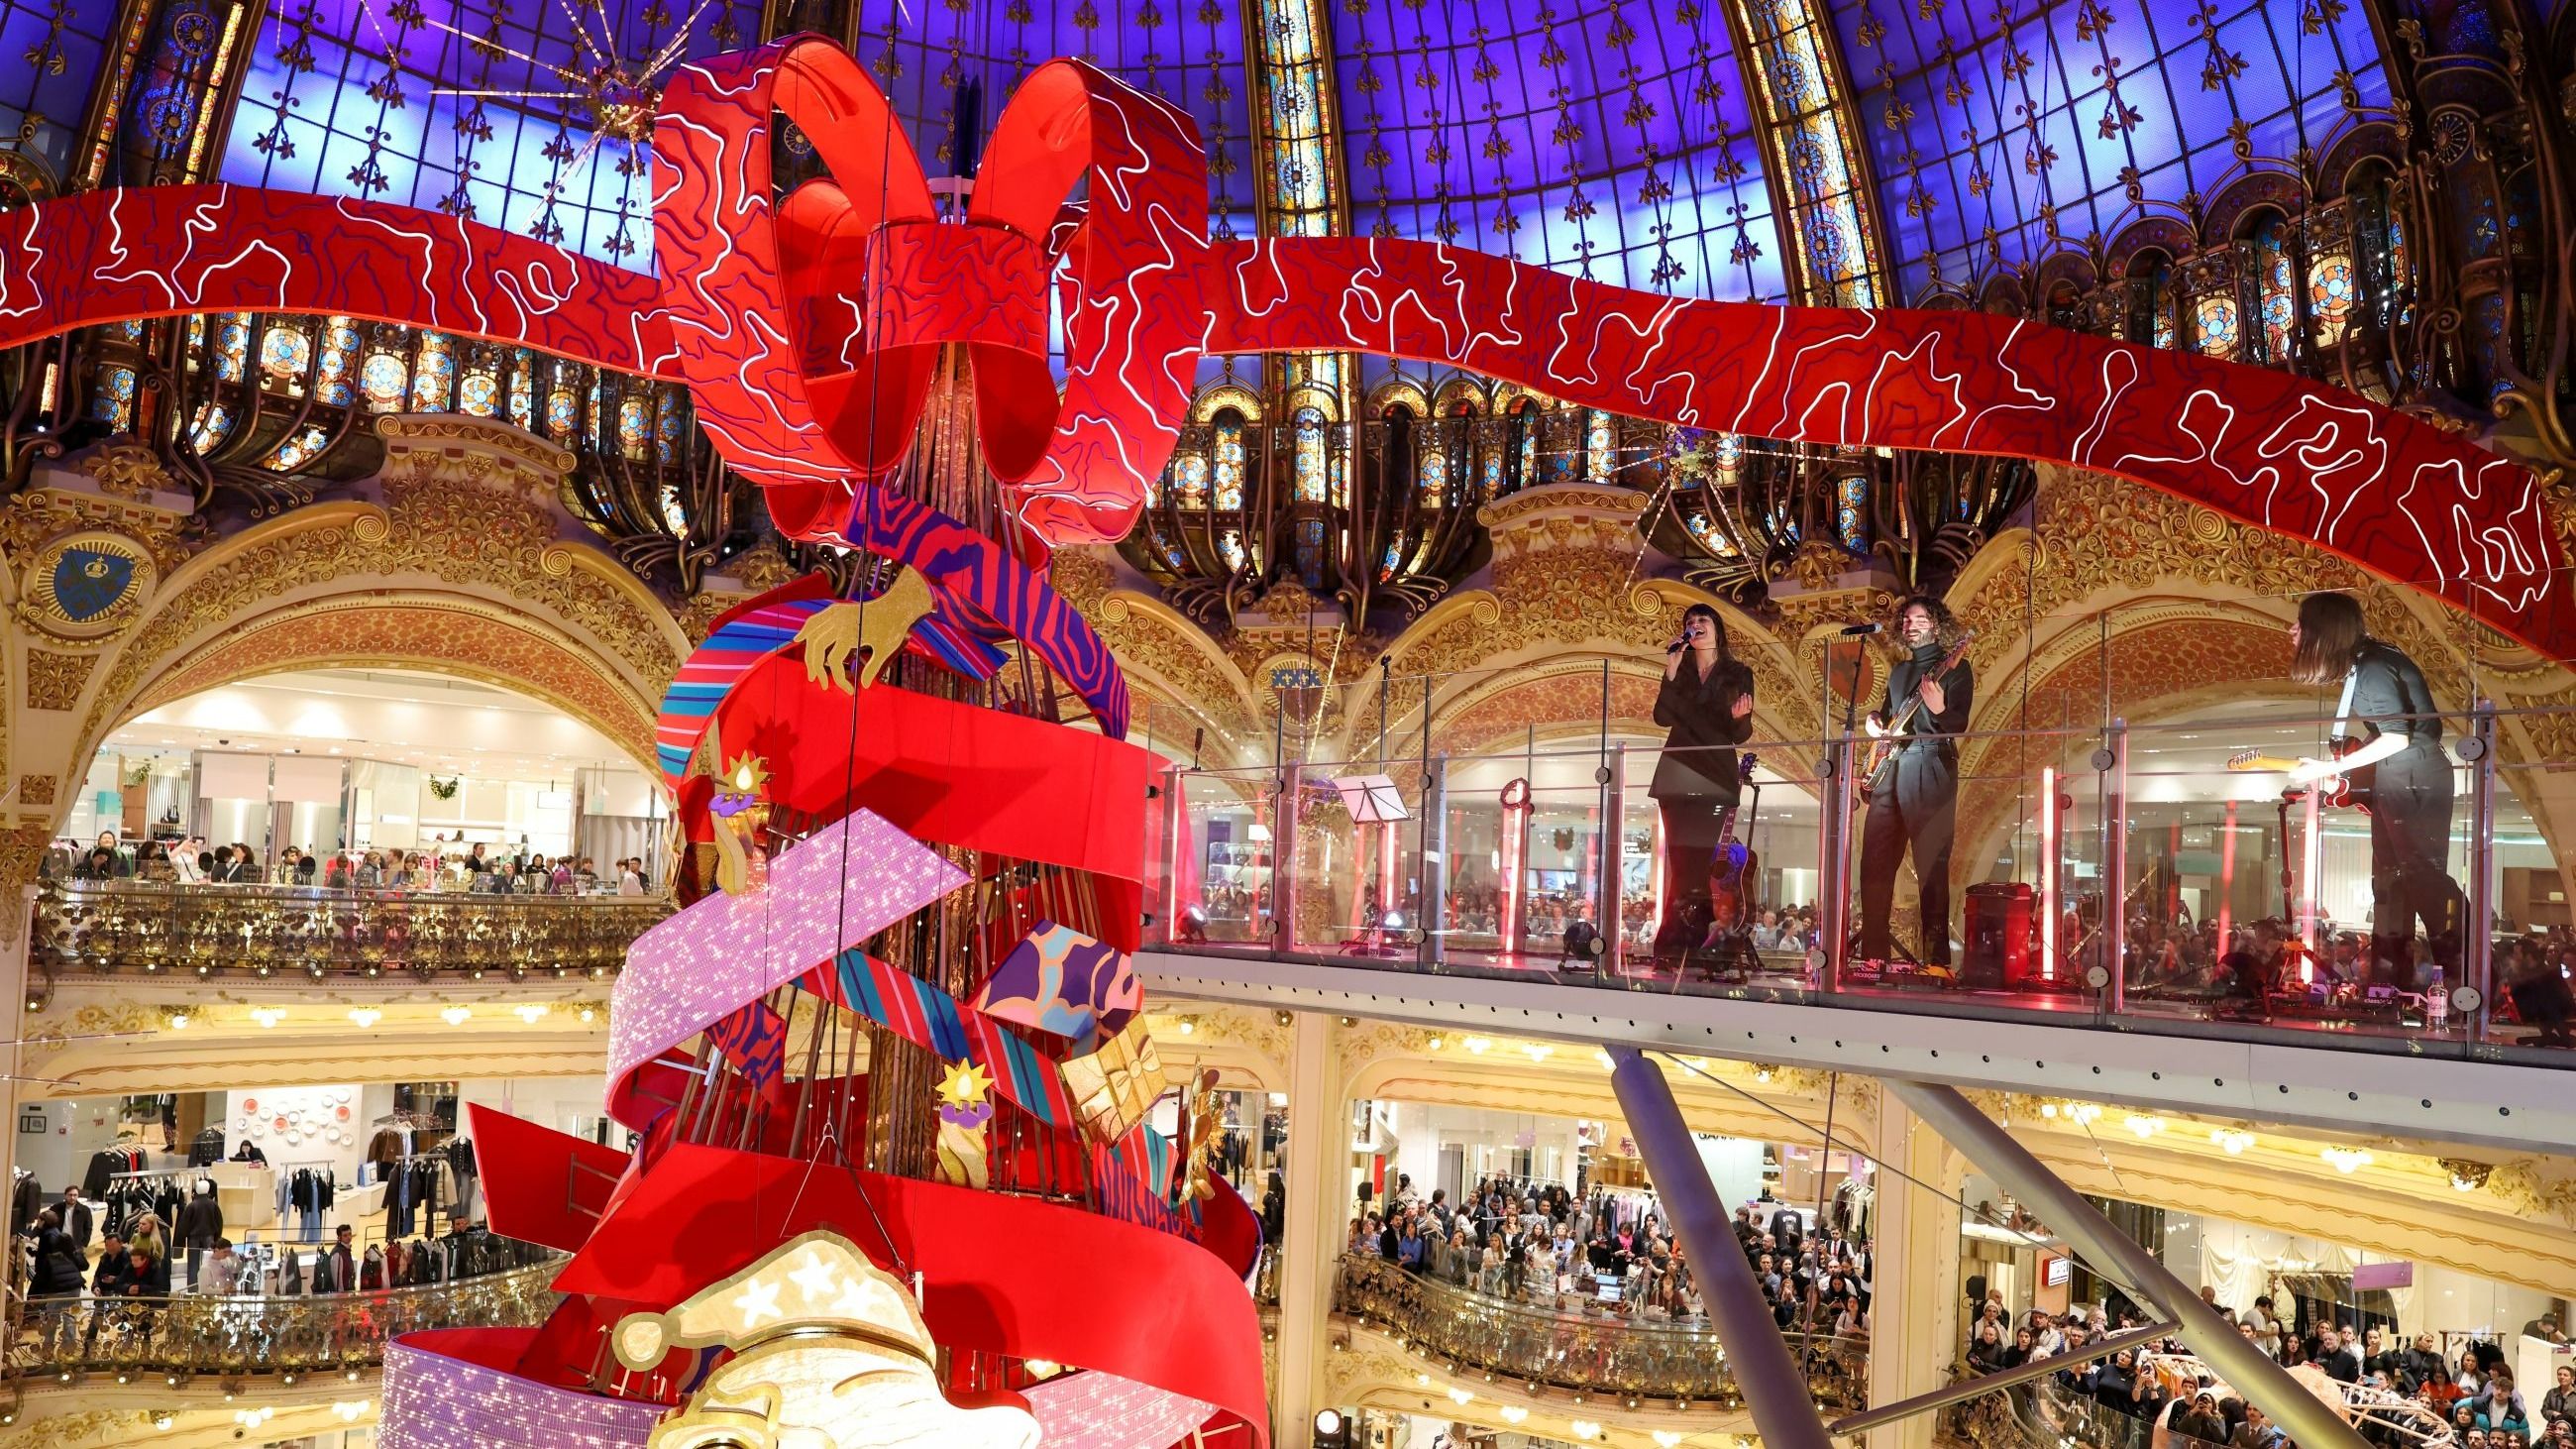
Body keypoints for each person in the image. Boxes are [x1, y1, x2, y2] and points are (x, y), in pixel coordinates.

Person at [2286, 591, 2467, 991]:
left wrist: (2335, 766)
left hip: (2414, 771)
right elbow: (2388, 737)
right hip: (2402, 771)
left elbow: (2398, 738)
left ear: (2324, 630)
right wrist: (2347, 775)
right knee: (2392, 879)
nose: (2292, 631)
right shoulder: (2367, 664)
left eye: (2302, 624)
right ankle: (2391, 985)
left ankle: (2464, 976)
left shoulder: (2371, 670)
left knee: (2421, 877)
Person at [1857, 596, 1973, 967]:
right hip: (1892, 767)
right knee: (1874, 864)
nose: (1910, 625)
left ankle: (1937, 962)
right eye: (1906, 620)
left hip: (1930, 764)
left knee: (1931, 867)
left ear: (1936, 625)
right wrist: (1875, 720)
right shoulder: (1899, 673)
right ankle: (1873, 957)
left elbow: (1958, 724)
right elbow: (1891, 720)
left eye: (1919, 619)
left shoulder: (1957, 668)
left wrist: (1939, 709)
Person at [1649, 603, 1757, 961]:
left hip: (1713, 774)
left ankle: (1683, 940)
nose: (1695, 626)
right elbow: (1662, 717)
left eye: (1702, 620)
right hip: (1678, 772)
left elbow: (1738, 735)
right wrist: (1671, 668)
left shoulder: (1738, 672)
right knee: (1680, 861)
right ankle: (1683, 941)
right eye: (1690, 622)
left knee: (1697, 863)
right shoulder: (1680, 670)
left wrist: (1741, 718)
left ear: (1717, 629)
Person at [27, 1208, 86, 1301]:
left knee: (34, 1301)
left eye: (39, 1220)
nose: (37, 1222)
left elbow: (48, 1258)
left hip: (49, 1275)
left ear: (43, 1221)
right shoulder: (53, 1232)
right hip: (57, 1276)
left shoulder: (48, 1236)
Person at [315, 1224, 359, 1292]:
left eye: (350, 1234)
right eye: (345, 1235)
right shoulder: (337, 1254)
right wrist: (341, 1297)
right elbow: (337, 1281)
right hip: (343, 1296)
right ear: (339, 1237)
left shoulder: (346, 1250)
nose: (349, 1237)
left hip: (348, 1292)